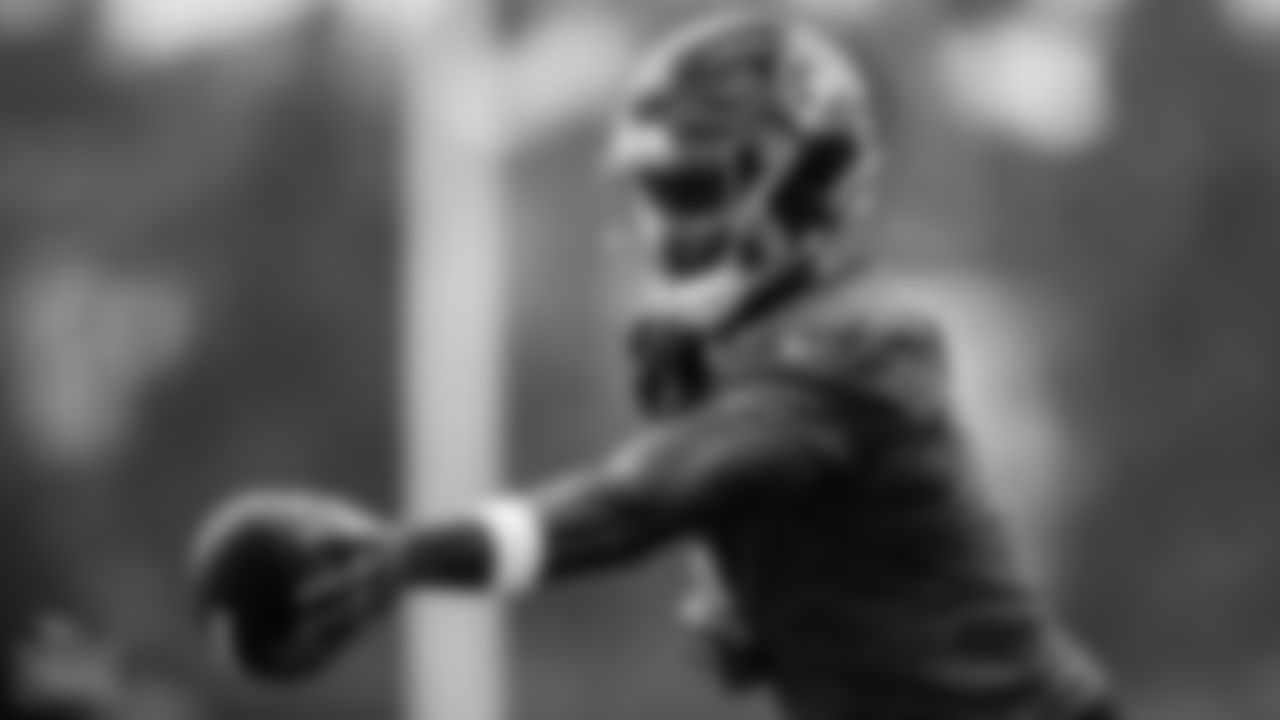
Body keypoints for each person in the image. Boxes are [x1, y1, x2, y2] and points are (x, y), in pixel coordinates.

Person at [189, 12, 1120, 720]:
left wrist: (404, 559)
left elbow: (630, 506)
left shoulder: (865, 341)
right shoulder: (716, 362)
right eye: (651, 192)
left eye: (691, 188)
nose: (663, 231)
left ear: (804, 180)